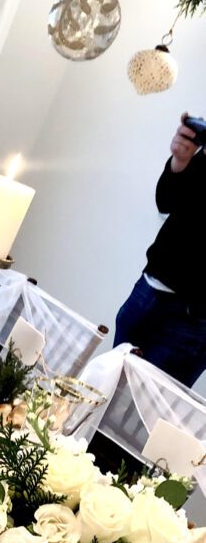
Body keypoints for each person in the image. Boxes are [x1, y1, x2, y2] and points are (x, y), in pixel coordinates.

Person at [113, 113, 206, 387]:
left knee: (141, 422)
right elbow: (167, 202)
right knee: (105, 395)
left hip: (192, 320)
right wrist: (181, 162)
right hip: (148, 292)